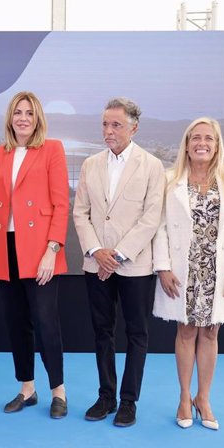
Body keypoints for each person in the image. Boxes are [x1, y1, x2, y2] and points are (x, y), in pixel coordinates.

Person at [152, 117, 224, 430]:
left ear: (217, 144)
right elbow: (161, 229)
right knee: (185, 331)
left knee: (210, 332)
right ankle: (183, 397)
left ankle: (203, 398)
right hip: (184, 271)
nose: (202, 143)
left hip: (217, 271)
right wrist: (163, 267)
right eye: (196, 137)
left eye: (209, 138)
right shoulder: (170, 179)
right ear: (186, 143)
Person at [73, 97, 165, 427]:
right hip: (96, 264)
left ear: (134, 128)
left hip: (135, 266)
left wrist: (118, 255)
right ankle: (106, 396)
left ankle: (129, 401)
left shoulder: (152, 166)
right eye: (105, 124)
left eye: (116, 125)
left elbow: (151, 218)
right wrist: (98, 251)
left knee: (137, 333)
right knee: (102, 331)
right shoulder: (90, 165)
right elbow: (80, 213)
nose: (108, 131)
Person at [0, 91, 70, 419]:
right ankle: (27, 388)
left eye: (29, 113)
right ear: (10, 117)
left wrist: (52, 250)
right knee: (17, 323)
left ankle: (58, 392)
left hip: (40, 251)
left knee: (47, 323)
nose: (22, 118)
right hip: (6, 249)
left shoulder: (52, 149)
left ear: (37, 119)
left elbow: (61, 204)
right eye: (18, 112)